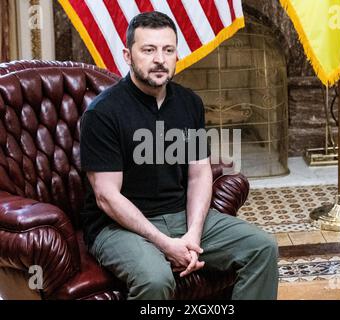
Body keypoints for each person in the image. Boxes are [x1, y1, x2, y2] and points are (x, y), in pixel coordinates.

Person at [80, 11, 278, 300]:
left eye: (168, 50)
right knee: (155, 280)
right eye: (148, 50)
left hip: (180, 217)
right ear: (127, 55)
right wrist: (164, 244)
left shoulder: (189, 103)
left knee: (262, 247)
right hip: (118, 227)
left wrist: (193, 235)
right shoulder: (103, 113)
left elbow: (199, 174)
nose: (160, 59)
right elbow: (107, 196)